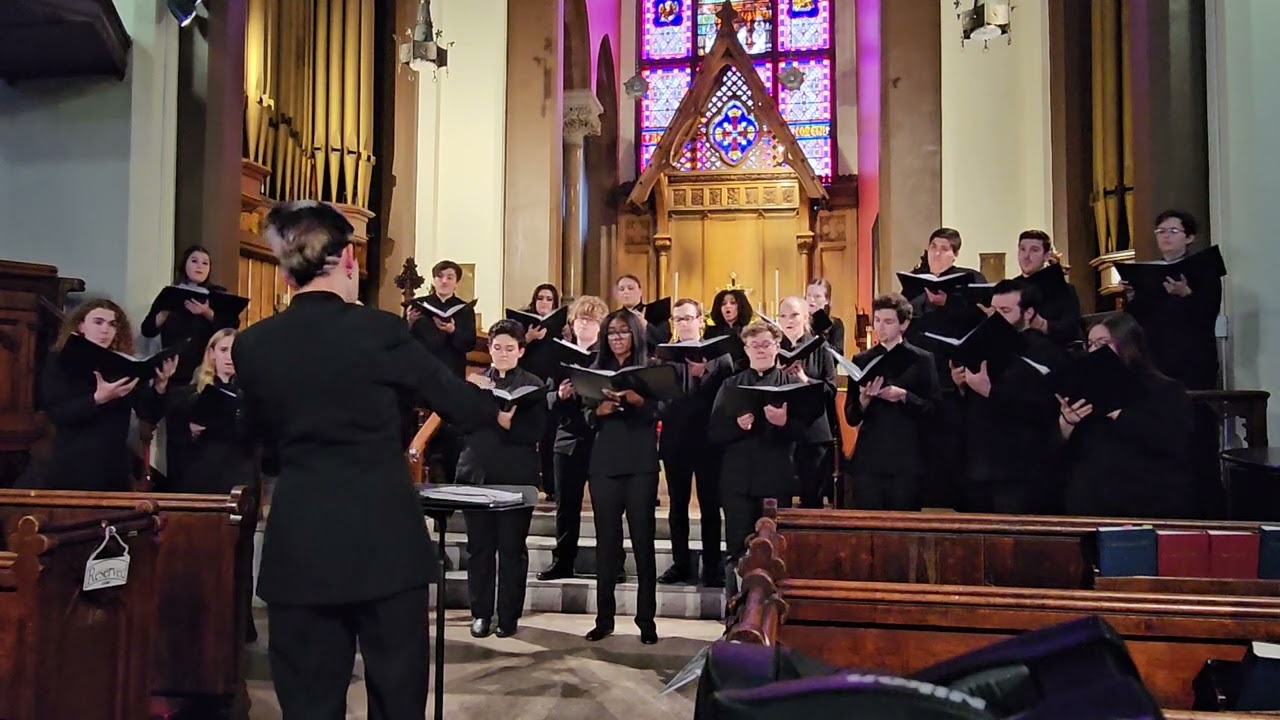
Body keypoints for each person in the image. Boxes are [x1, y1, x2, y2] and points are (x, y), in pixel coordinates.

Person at [233, 201, 501, 720]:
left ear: (286, 272)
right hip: (384, 540)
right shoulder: (379, 331)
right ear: (349, 258)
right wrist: (484, 395)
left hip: (301, 541)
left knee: (309, 704)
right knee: (397, 700)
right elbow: (463, 407)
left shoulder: (253, 344)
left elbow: (257, 438)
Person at [1058, 312, 1196, 518]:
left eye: (1102, 343)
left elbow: (1172, 441)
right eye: (1091, 344)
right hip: (1091, 501)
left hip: (1146, 498)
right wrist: (1067, 423)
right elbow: (1064, 452)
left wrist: (1119, 414)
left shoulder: (1164, 389)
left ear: (1127, 345)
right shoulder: (1084, 388)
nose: (1095, 351)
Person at [459, 320, 547, 638]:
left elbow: (536, 432)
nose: (503, 354)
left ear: (521, 351)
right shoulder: (476, 381)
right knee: (479, 548)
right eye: (497, 348)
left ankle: (508, 616)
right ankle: (480, 613)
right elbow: (461, 425)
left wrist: (504, 421)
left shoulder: (534, 385)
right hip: (477, 472)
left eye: (510, 348)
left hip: (515, 475)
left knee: (511, 549)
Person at [953, 280, 1067, 514]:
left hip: (1020, 471)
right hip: (977, 467)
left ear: (1028, 313)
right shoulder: (981, 345)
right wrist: (962, 387)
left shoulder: (1048, 353)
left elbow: (1044, 410)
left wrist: (990, 392)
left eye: (1005, 311)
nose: (996, 319)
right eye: (993, 311)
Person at [582, 310, 661, 644]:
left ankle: (646, 620)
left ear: (635, 335)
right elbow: (584, 416)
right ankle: (604, 619)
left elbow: (663, 409)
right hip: (604, 462)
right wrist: (598, 410)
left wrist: (636, 399)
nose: (616, 338)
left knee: (643, 543)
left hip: (640, 461)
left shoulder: (651, 366)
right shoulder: (594, 366)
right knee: (606, 544)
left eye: (622, 332)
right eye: (611, 332)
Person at [41, 299, 178, 491]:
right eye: (98, 322)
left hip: (114, 468)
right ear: (81, 325)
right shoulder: (60, 360)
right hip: (74, 465)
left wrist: (160, 385)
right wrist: (99, 398)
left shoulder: (123, 364)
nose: (105, 330)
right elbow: (58, 413)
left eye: (112, 324)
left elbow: (148, 414)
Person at [140, 245, 242, 488]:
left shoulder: (217, 296)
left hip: (207, 374)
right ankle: (179, 488)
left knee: (209, 434)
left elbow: (230, 329)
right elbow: (147, 329)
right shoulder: (171, 294)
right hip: (176, 373)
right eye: (194, 261)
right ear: (184, 264)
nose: (199, 266)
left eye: (205, 262)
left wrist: (207, 313)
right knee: (177, 436)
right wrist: (159, 318)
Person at [904, 228, 988, 509]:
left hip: (957, 378)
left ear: (955, 254)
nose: (937, 253)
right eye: (933, 247)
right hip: (926, 376)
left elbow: (983, 322)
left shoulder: (971, 280)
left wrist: (947, 302)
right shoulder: (917, 284)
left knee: (954, 448)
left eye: (944, 248)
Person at [710, 321, 805, 565]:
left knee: (774, 550)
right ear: (746, 349)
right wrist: (737, 426)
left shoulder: (792, 384)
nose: (761, 350)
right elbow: (714, 432)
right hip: (738, 481)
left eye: (766, 344)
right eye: (754, 345)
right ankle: (734, 601)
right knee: (737, 549)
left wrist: (784, 422)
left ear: (777, 347)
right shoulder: (730, 384)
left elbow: (807, 433)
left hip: (776, 479)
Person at [843, 294, 940, 511]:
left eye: (888, 322)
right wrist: (864, 399)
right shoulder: (862, 360)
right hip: (870, 458)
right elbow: (851, 416)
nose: (881, 327)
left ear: (904, 324)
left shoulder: (921, 360)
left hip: (906, 459)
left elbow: (934, 410)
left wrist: (905, 396)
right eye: (877, 320)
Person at [537, 295, 607, 581]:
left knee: (606, 506)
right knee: (566, 505)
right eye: (581, 320)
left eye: (592, 321)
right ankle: (563, 561)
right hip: (567, 437)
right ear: (572, 323)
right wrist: (560, 396)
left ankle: (612, 562)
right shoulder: (560, 356)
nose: (585, 326)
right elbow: (547, 397)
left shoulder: (608, 356)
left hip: (601, 438)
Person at [657, 299, 727, 588]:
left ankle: (712, 566)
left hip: (709, 441)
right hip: (676, 440)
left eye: (688, 318)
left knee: (710, 505)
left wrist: (703, 374)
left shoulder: (720, 358)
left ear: (701, 321)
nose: (684, 324)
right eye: (678, 319)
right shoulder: (664, 358)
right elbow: (659, 399)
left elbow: (726, 397)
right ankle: (680, 563)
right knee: (678, 505)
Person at [1124, 210, 1223, 391]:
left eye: (1173, 231)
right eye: (1161, 231)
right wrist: (1132, 295)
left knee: (1195, 414)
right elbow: (1138, 318)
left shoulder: (1204, 269)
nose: (1166, 236)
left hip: (1193, 358)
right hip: (1157, 356)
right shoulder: (1149, 273)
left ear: (1189, 237)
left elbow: (1208, 314)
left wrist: (1186, 294)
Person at [406, 259, 477, 484]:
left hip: (450, 373)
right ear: (433, 280)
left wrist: (454, 330)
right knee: (419, 428)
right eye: (440, 277)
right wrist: (407, 323)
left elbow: (469, 344)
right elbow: (404, 342)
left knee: (449, 432)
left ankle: (448, 478)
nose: (444, 281)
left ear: (456, 282)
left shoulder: (464, 310)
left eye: (449, 277)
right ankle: (418, 476)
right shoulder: (419, 306)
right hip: (423, 374)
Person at [176, 328, 256, 495]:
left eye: (234, 350)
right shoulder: (191, 394)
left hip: (240, 471)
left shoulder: (252, 392)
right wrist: (191, 432)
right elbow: (175, 441)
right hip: (203, 472)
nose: (229, 357)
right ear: (212, 353)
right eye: (223, 350)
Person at [777, 297, 837, 509]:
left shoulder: (820, 347)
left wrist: (804, 379)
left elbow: (831, 390)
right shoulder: (774, 348)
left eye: (794, 315)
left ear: (805, 317)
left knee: (811, 497)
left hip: (813, 432)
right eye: (783, 316)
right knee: (780, 496)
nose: (788, 320)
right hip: (782, 431)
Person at [517, 283, 562, 500]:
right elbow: (515, 351)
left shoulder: (559, 325)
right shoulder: (524, 324)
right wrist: (529, 338)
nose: (544, 302)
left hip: (550, 385)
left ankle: (552, 486)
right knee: (526, 433)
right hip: (526, 385)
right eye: (540, 298)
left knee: (549, 436)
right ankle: (529, 483)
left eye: (549, 299)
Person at [1015, 230, 1082, 350]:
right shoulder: (1008, 289)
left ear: (1046, 256)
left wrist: (1041, 324)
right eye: (1022, 249)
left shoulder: (1064, 289)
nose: (1026, 256)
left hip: (1050, 354)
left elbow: (1071, 330)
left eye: (1034, 250)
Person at [614, 273, 672, 350]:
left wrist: (645, 325)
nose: (626, 292)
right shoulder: (614, 317)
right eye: (621, 289)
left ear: (640, 291)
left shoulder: (656, 311)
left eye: (630, 288)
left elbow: (663, 340)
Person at [805, 278, 846, 355]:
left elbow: (837, 354)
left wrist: (820, 319)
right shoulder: (801, 322)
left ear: (827, 300)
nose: (811, 300)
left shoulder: (836, 324)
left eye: (817, 296)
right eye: (809, 295)